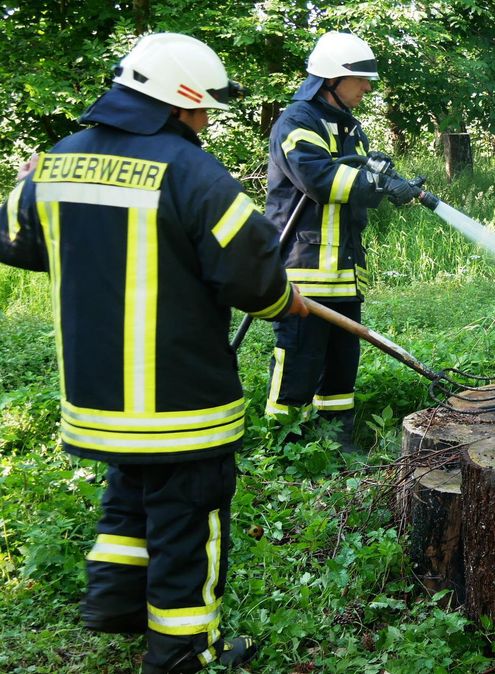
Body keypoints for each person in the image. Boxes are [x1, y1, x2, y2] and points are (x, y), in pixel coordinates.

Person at [0, 33, 306, 673]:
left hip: (96, 401)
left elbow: (19, 242)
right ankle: (183, 653)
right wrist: (284, 303)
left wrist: (31, 184)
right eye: (202, 110)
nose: (204, 122)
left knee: (129, 492)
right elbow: (251, 269)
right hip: (181, 406)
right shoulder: (191, 172)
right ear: (178, 102)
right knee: (188, 525)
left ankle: (114, 602)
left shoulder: (57, 161)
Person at [264, 31, 423, 451]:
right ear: (333, 79)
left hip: (345, 273)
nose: (368, 88)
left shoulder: (349, 128)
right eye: (362, 79)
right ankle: (285, 446)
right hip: (304, 268)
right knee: (298, 358)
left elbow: (359, 180)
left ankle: (337, 442)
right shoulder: (296, 122)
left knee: (340, 365)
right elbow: (319, 179)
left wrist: (387, 180)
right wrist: (375, 181)